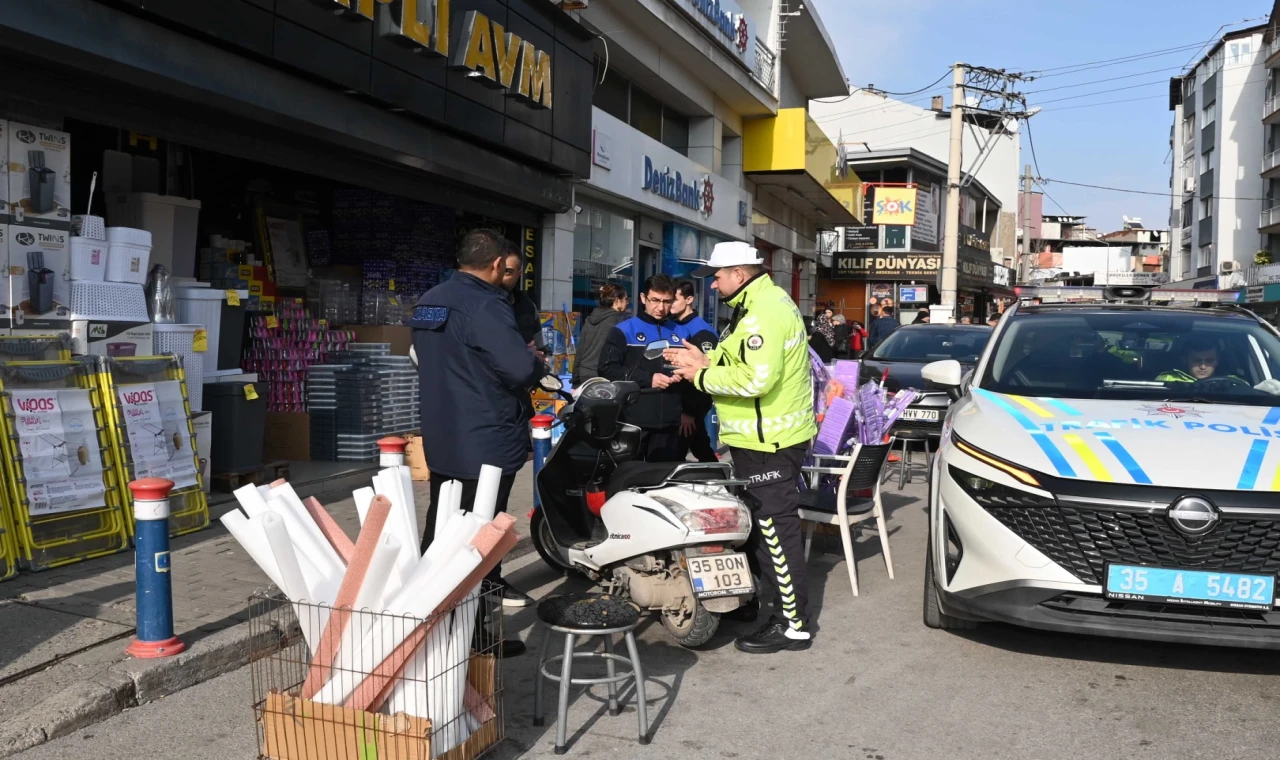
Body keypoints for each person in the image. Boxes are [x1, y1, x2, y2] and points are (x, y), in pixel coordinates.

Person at [665, 241, 818, 654]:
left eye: (716, 276)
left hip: (770, 442)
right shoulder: (755, 304)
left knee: (774, 530)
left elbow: (755, 382)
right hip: (759, 438)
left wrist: (699, 375)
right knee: (758, 527)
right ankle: (762, 605)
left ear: (739, 273)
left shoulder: (763, 311)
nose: (712, 286)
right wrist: (707, 360)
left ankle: (793, 624)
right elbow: (742, 365)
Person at [411, 230, 544, 651]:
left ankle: (429, 627)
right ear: (493, 265)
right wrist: (534, 362)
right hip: (485, 436)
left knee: (440, 531)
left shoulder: (430, 298)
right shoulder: (486, 304)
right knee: (480, 541)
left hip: (444, 433)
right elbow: (519, 369)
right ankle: (471, 639)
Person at [599, 274, 688, 462]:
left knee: (665, 485)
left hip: (670, 423)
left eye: (666, 301)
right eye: (655, 300)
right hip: (633, 421)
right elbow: (607, 369)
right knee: (629, 481)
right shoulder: (623, 330)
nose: (661, 307)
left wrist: (690, 410)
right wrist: (648, 379)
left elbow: (696, 374)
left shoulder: (682, 332)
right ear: (643, 298)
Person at [670, 279, 719, 463]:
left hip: (688, 409)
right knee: (701, 450)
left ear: (689, 299)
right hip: (674, 405)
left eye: (674, 299)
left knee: (676, 457)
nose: (669, 304)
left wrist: (690, 412)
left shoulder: (702, 332)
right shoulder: (671, 325)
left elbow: (707, 374)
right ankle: (720, 482)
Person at [573, 283, 630, 386]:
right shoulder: (620, 321)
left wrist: (575, 381)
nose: (627, 303)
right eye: (625, 299)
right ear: (617, 301)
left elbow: (580, 351)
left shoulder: (590, 319)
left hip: (584, 375)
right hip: (603, 377)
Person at [502, 244, 542, 346]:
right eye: (498, 269)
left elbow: (542, 349)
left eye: (507, 271)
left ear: (518, 275)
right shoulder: (476, 303)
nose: (500, 276)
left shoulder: (528, 306)